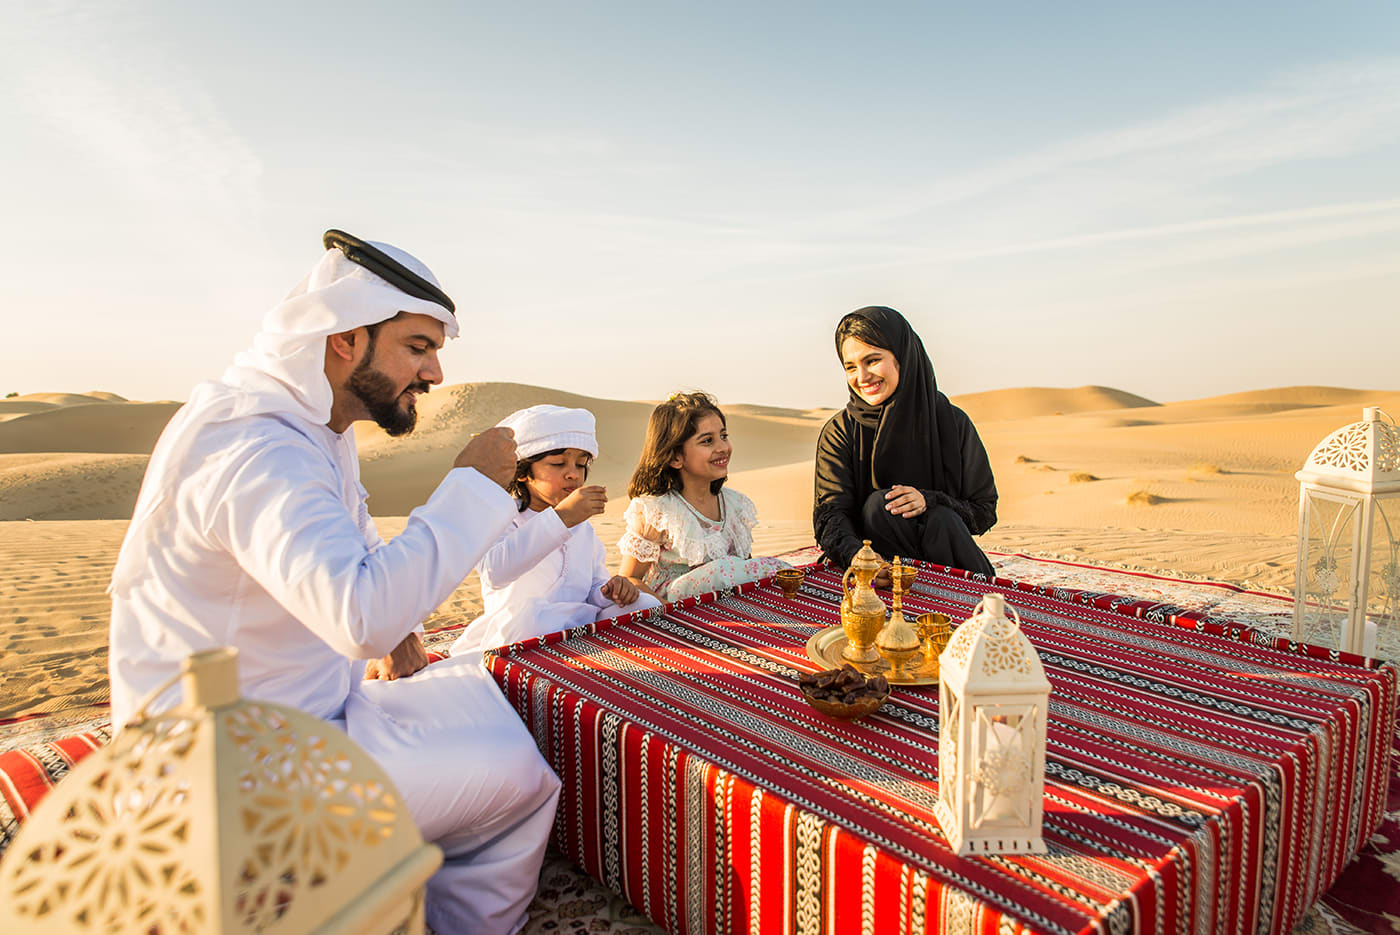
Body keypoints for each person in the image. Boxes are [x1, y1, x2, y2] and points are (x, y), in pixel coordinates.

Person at [107, 230, 559, 935]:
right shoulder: (255, 446)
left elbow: (348, 548)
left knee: (484, 701)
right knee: (524, 780)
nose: (436, 373)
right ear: (346, 338)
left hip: (295, 722)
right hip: (232, 778)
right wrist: (471, 484)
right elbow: (358, 617)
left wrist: (404, 633)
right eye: (418, 346)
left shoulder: (314, 423)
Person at [451, 404, 661, 655]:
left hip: (579, 622)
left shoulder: (582, 528)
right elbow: (494, 573)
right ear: (522, 472)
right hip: (524, 630)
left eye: (581, 465)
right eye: (559, 463)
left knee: (644, 604)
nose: (573, 474)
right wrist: (561, 518)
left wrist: (610, 591)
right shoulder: (502, 515)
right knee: (530, 621)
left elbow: (593, 588)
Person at [813, 305, 997, 580]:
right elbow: (830, 515)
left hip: (945, 555)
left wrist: (929, 500)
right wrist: (859, 558)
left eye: (872, 360)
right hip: (874, 570)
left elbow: (983, 511)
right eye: (851, 367)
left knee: (941, 519)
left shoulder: (952, 423)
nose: (861, 378)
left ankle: (961, 600)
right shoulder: (841, 431)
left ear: (903, 357)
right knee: (879, 507)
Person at [618, 391, 789, 602]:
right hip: (675, 607)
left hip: (723, 604)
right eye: (707, 441)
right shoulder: (659, 511)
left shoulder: (736, 505)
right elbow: (630, 578)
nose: (722, 448)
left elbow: (744, 567)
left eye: (724, 436)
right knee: (721, 569)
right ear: (675, 458)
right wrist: (669, 614)